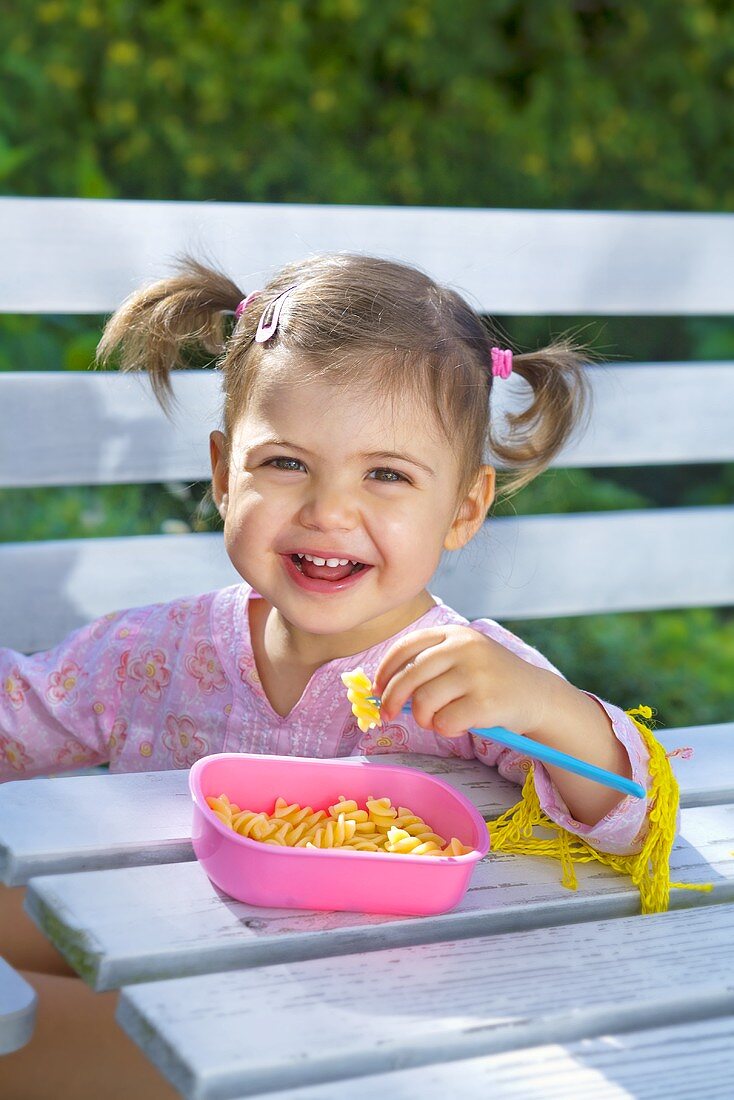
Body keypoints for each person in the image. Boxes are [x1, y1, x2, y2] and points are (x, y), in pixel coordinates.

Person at [0, 252, 685, 1098]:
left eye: (386, 475)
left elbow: (637, 816)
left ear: (465, 508)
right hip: (155, 956)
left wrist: (550, 708)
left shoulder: (469, 677)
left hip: (355, 1038)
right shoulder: (155, 653)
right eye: (286, 463)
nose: (329, 510)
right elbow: (18, 715)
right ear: (224, 474)